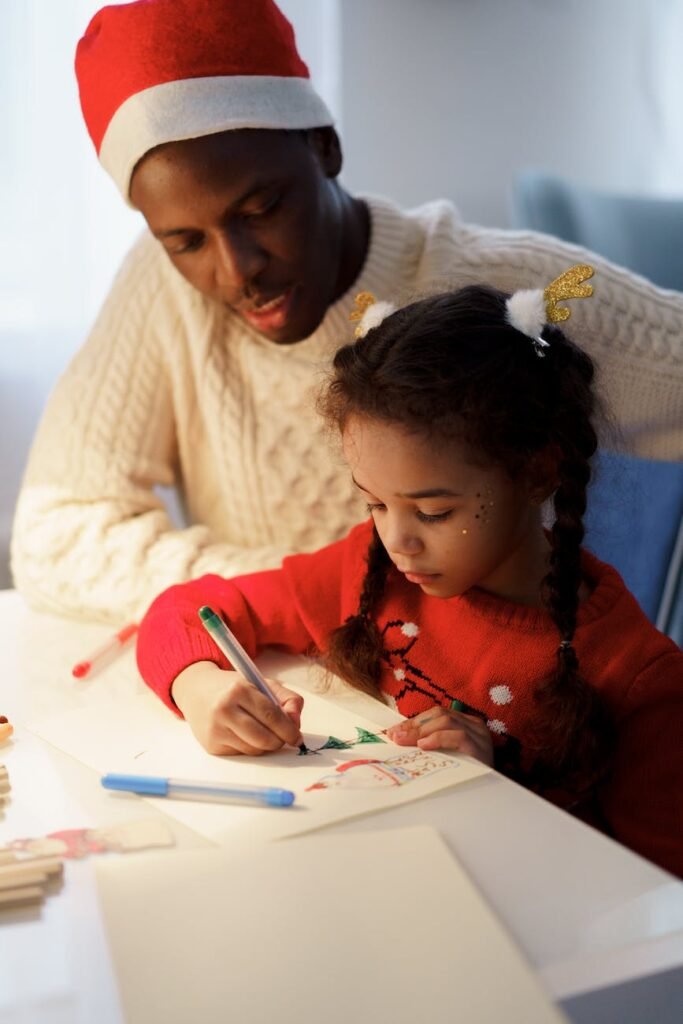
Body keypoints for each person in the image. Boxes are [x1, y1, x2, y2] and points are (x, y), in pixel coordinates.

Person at [11, 0, 683, 626]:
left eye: (262, 207)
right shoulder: (165, 288)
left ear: (325, 146)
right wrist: (297, 592)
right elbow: (54, 536)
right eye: (185, 241)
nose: (236, 268)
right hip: (283, 705)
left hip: (478, 715)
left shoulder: (498, 288)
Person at [136, 273, 683, 878]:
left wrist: (497, 791)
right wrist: (198, 687)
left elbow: (654, 902)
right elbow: (188, 608)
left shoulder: (637, 678)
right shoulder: (371, 570)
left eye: (432, 512)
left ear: (536, 473)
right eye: (374, 503)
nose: (397, 540)